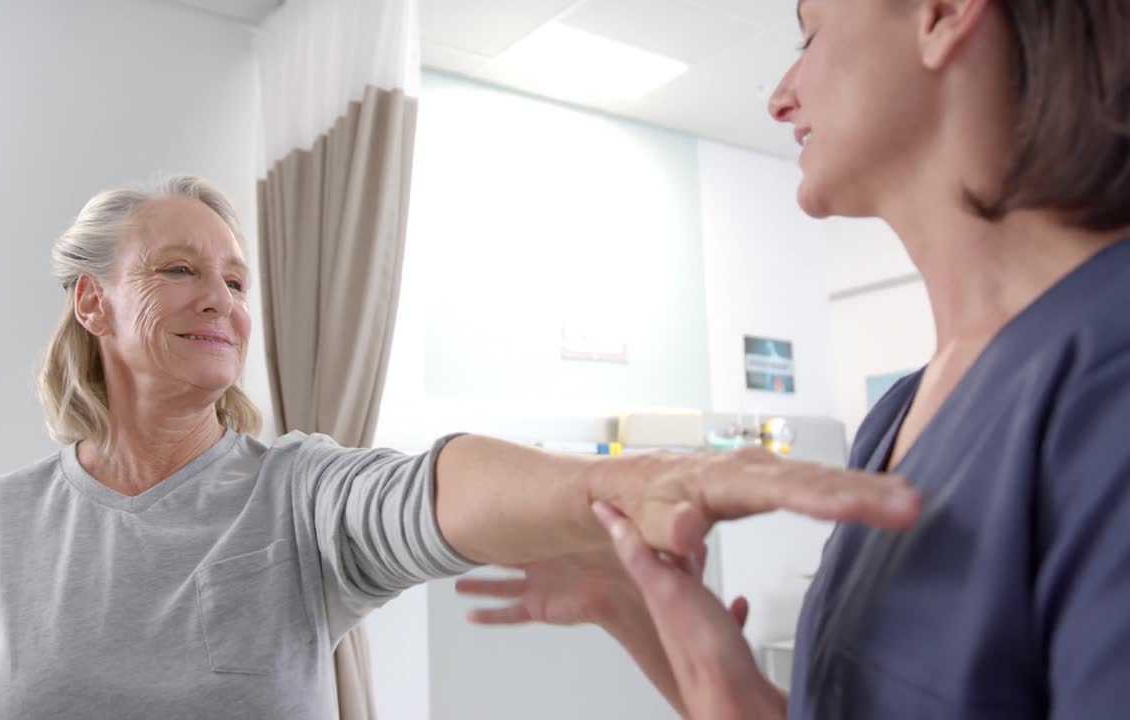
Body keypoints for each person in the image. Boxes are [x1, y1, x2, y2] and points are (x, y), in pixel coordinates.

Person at [0, 176, 918, 719]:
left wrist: (612, 482)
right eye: (180, 270)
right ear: (94, 303)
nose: (223, 301)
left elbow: (424, 493)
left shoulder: (291, 494)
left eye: (237, 280)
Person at [460, 0, 1130, 717]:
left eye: (810, 34)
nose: (781, 98)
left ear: (942, 13)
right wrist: (649, 617)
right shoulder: (897, 417)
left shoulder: (1106, 381)